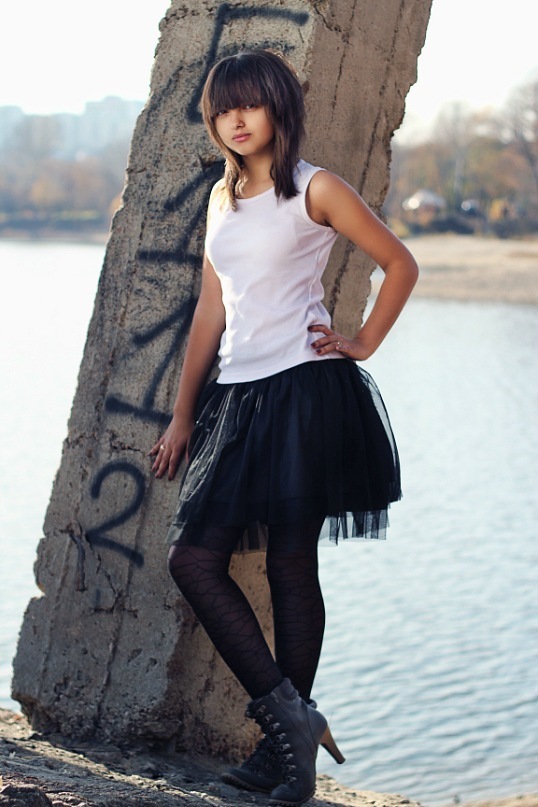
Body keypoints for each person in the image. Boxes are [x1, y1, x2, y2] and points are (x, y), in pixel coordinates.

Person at [150, 49, 418, 807]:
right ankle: (294, 722)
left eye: (249, 105)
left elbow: (399, 263)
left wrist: (362, 341)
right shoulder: (221, 198)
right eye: (222, 108)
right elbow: (211, 311)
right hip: (236, 398)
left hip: (304, 391)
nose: (235, 120)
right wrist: (182, 414)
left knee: (291, 565)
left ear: (277, 108)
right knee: (193, 560)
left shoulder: (315, 187)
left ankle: (281, 749)